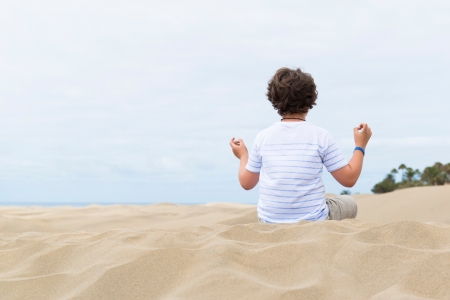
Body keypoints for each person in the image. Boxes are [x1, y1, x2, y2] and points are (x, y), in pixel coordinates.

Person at [229, 67, 372, 223]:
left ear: (274, 99)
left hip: (268, 222)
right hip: (313, 221)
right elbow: (349, 179)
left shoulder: (262, 137)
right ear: (310, 99)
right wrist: (360, 145)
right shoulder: (320, 136)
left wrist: (243, 155)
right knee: (349, 203)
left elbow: (246, 183)